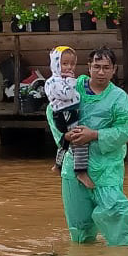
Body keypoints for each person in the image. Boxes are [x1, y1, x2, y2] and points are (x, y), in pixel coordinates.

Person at [45, 47, 128, 246]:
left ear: (114, 70)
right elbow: (52, 111)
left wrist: (95, 135)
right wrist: (65, 136)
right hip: (73, 167)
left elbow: (126, 128)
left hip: (106, 169)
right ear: (89, 67)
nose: (101, 72)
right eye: (96, 67)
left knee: (116, 213)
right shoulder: (73, 86)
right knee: (80, 227)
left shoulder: (119, 97)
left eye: (106, 67)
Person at [45, 46, 95, 189]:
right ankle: (80, 171)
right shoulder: (54, 82)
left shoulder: (61, 80)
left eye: (72, 64)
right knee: (80, 139)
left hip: (68, 112)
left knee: (67, 141)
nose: (69, 67)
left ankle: (57, 165)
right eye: (65, 64)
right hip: (64, 114)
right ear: (56, 64)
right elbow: (67, 94)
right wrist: (72, 81)